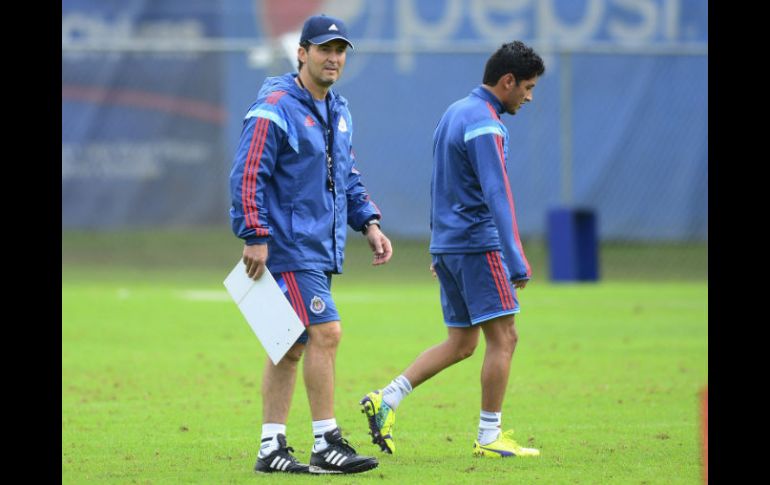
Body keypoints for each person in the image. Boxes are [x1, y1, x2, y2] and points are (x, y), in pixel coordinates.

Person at [360, 41, 545, 459]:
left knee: (462, 343)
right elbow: (497, 193)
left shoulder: (453, 113)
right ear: (508, 81)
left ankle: (386, 399)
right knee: (506, 337)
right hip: (478, 245)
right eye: (528, 88)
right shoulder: (485, 122)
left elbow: (439, 183)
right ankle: (489, 436)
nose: (529, 97)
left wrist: (439, 244)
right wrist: (514, 257)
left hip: (450, 245)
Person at [228, 14, 393, 475]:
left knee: (290, 344)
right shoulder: (276, 106)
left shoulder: (338, 110)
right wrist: (255, 235)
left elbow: (347, 176)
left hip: (317, 246)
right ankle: (326, 442)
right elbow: (248, 173)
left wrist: (370, 222)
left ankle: (271, 448)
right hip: (289, 246)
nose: (334, 58)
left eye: (340, 51)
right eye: (324, 49)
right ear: (302, 53)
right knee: (327, 333)